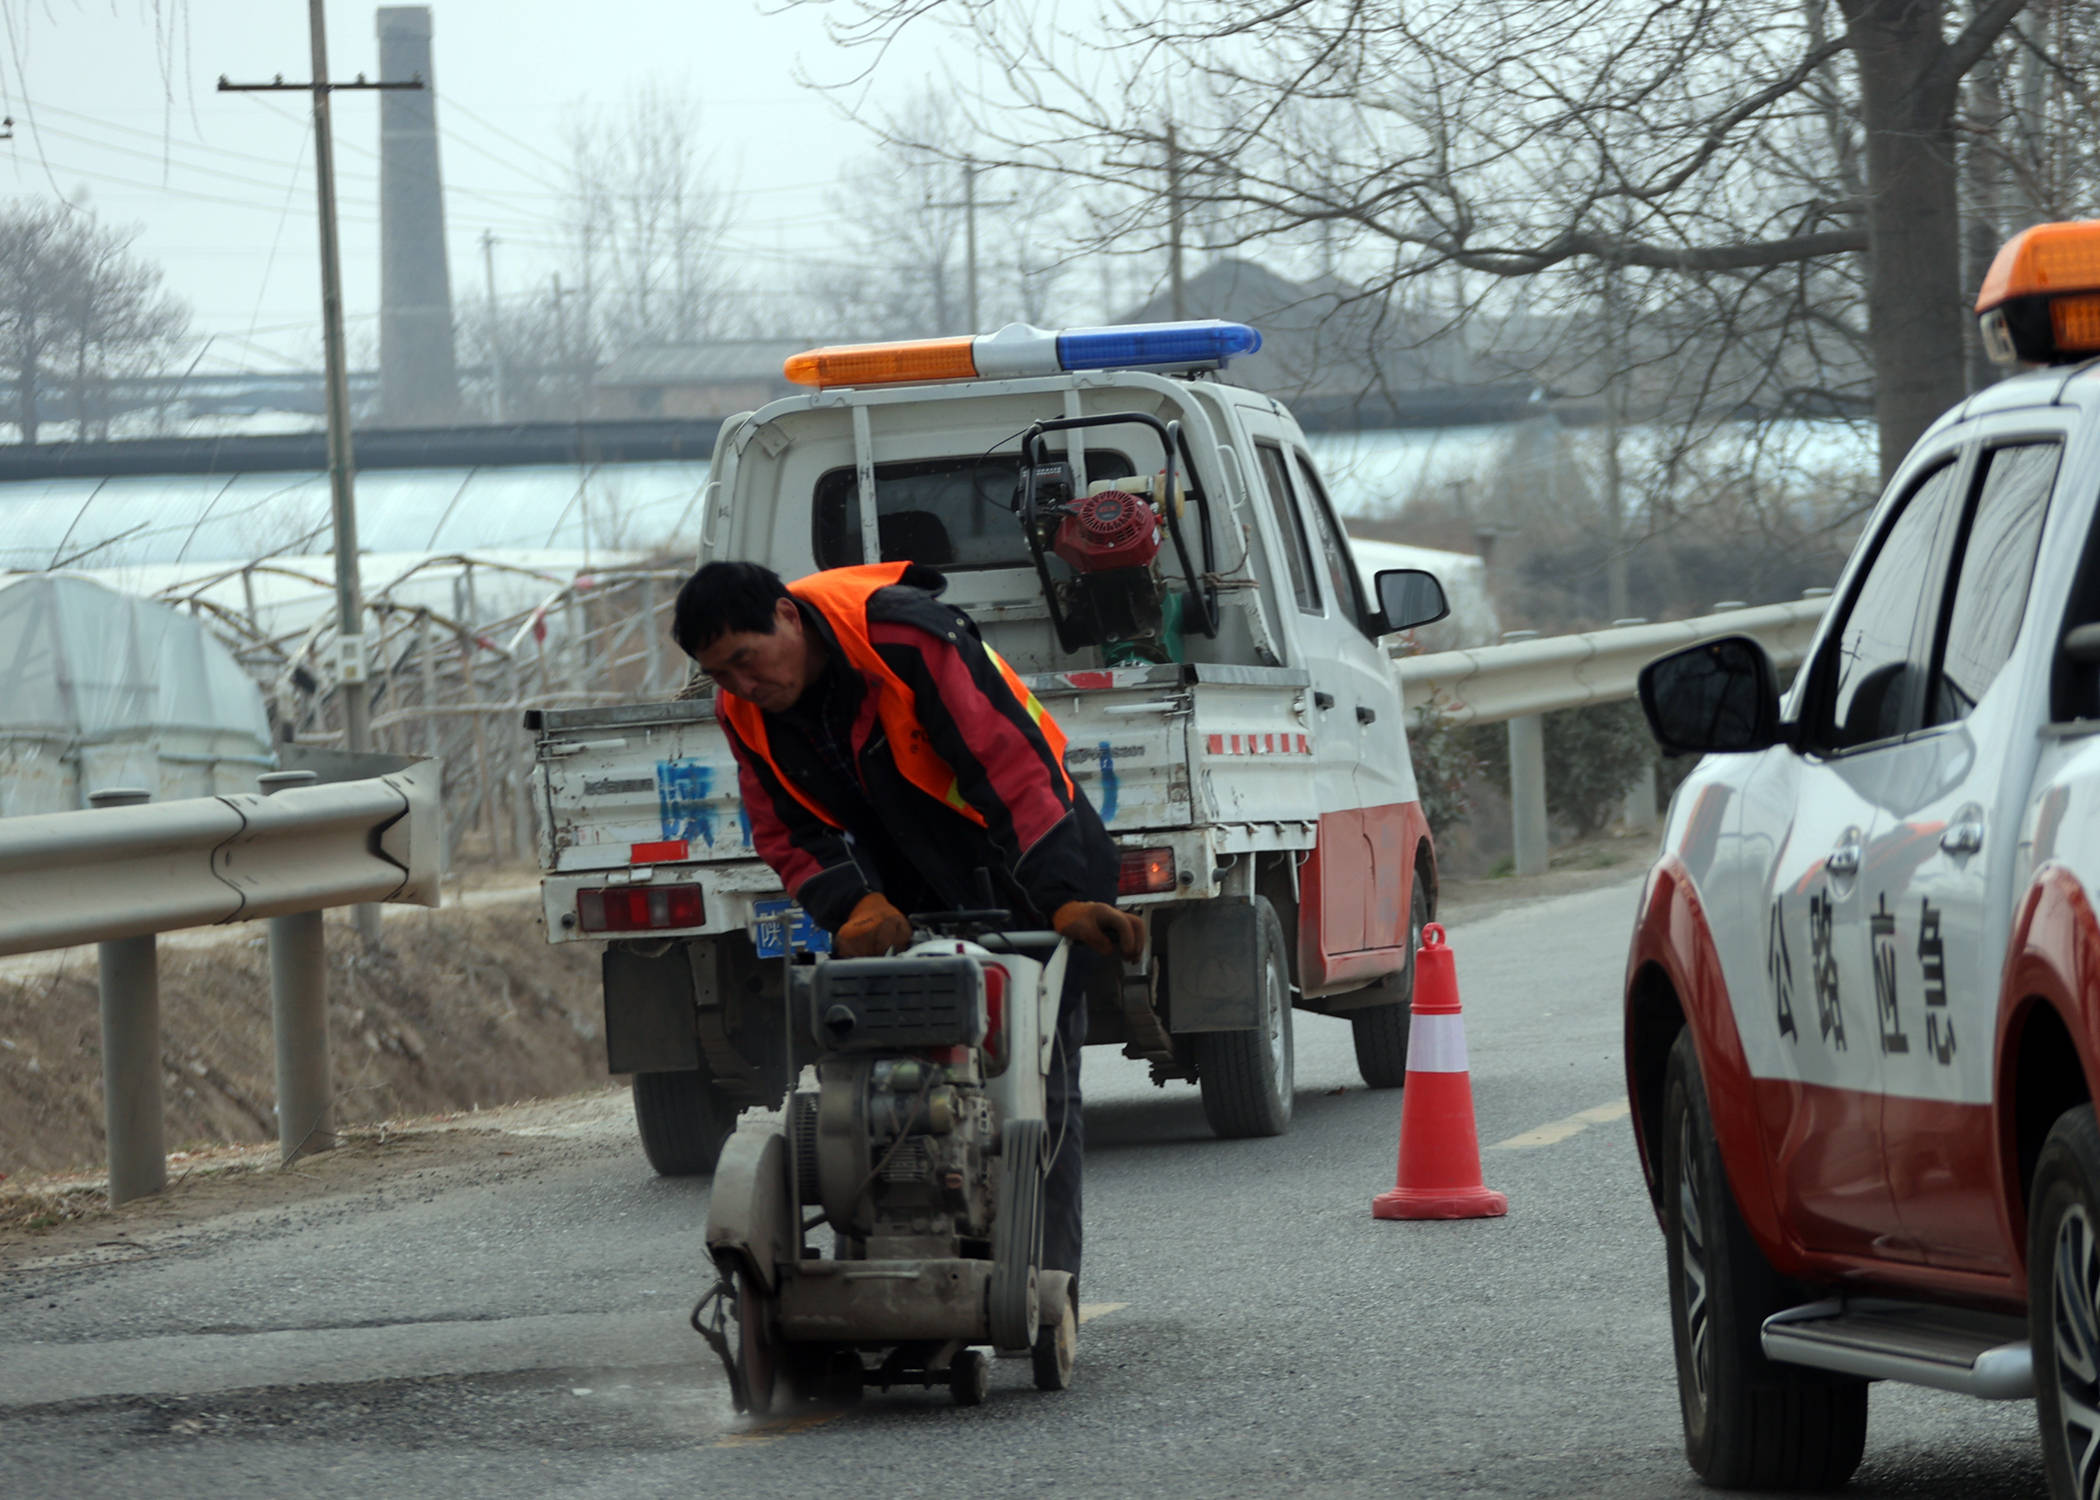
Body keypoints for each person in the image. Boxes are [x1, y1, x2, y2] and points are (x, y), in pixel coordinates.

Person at [670, 558, 1141, 1285]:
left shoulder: (906, 637)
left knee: (1035, 1087)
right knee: (879, 1073)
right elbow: (784, 832)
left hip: (1028, 869)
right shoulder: (746, 711)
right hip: (900, 894)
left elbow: (1012, 765)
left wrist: (1063, 897)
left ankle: (1043, 1285)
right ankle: (904, 1245)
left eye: (745, 660)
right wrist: (853, 903)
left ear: (787, 617)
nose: (741, 686)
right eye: (720, 675)